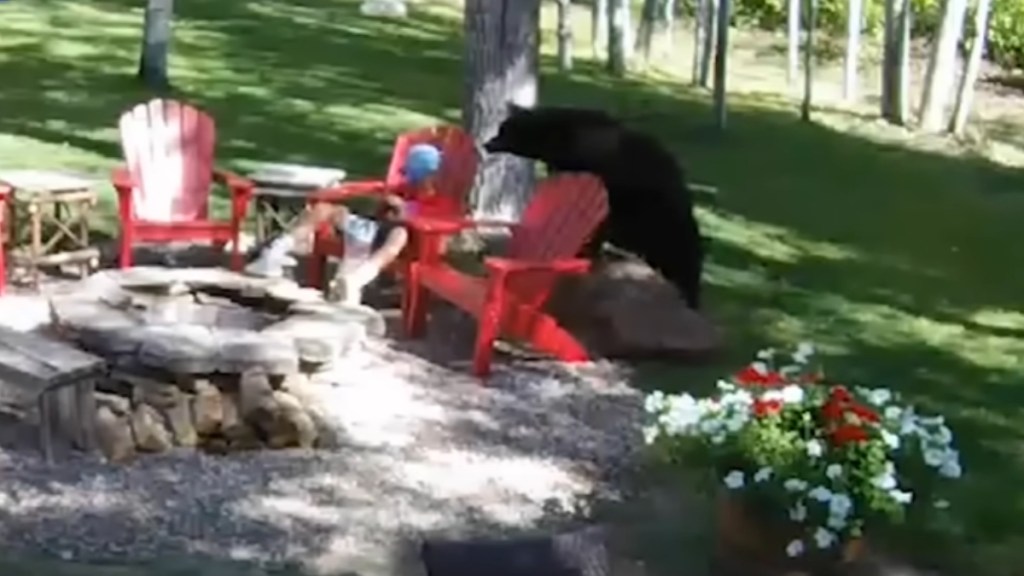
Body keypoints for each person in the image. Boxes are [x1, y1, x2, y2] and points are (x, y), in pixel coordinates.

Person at [245, 143, 444, 304]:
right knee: (324, 209)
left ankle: (354, 281)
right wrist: (381, 200)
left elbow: (426, 223)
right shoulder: (400, 188)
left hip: (391, 240)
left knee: (399, 234)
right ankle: (273, 253)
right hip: (369, 229)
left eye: (421, 179)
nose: (415, 183)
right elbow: (375, 204)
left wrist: (403, 211)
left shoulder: (436, 201)